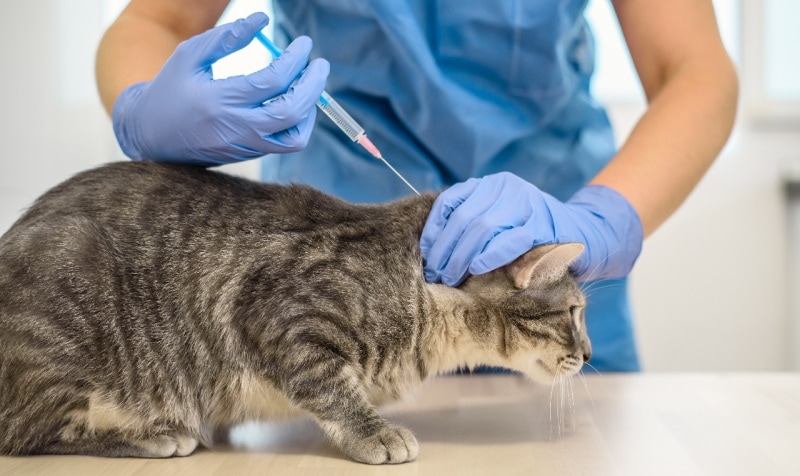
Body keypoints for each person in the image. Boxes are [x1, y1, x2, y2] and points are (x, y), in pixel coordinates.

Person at [96, 1, 738, 372]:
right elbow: (157, 18)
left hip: (549, 245)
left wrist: (603, 219)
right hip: (339, 282)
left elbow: (693, 68)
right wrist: (143, 106)